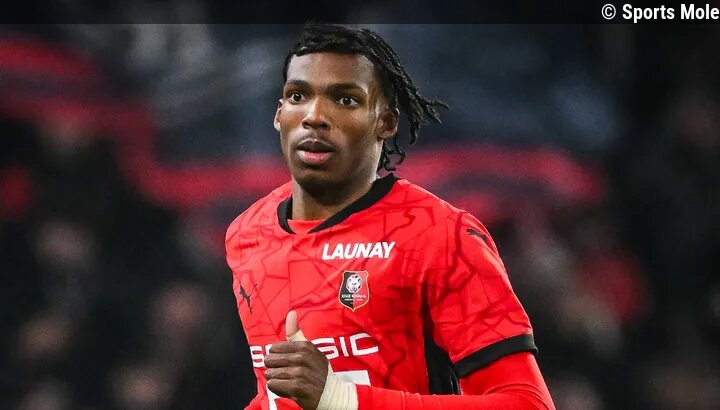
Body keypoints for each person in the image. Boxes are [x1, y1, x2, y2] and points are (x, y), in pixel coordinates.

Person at [226, 24, 555, 410]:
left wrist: (340, 399)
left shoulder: (440, 236)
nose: (314, 116)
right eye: (298, 96)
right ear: (279, 113)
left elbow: (526, 404)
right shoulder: (247, 234)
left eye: (345, 99)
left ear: (386, 121)